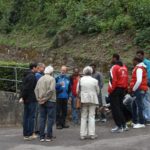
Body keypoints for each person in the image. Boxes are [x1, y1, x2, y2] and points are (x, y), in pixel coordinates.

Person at [77, 66, 99, 140]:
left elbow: (77, 91)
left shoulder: (80, 80)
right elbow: (98, 91)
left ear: (84, 72)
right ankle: (92, 134)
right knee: (92, 116)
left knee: (83, 117)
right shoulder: (95, 80)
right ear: (91, 72)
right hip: (93, 99)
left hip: (83, 99)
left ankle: (82, 135)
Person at [35, 65, 56, 142]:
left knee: (42, 118)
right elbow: (51, 90)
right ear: (51, 72)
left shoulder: (40, 78)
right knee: (50, 119)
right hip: (50, 101)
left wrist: (39, 99)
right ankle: (49, 136)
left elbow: (36, 89)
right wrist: (45, 99)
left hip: (41, 101)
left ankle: (41, 136)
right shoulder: (52, 79)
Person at [108, 54, 129, 133]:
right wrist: (125, 88)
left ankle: (119, 126)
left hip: (115, 90)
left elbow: (112, 80)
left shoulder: (114, 67)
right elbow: (126, 78)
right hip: (122, 89)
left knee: (115, 108)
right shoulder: (124, 67)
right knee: (120, 107)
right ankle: (124, 125)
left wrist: (110, 90)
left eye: (112, 58)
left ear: (114, 58)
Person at [20, 62, 38, 140]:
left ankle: (25, 134)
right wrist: (22, 97)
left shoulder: (26, 75)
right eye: (37, 67)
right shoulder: (32, 76)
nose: (37, 69)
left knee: (26, 116)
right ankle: (30, 134)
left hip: (26, 99)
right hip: (31, 99)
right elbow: (27, 88)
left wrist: (22, 97)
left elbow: (23, 87)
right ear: (33, 68)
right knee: (31, 117)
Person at [130, 57, 148, 129]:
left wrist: (133, 89)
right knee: (134, 105)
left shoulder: (139, 68)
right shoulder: (139, 68)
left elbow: (139, 80)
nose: (132, 62)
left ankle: (141, 123)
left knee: (139, 106)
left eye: (133, 61)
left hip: (139, 89)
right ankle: (135, 121)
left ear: (136, 61)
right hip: (139, 89)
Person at [136, 50, 150, 125]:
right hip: (142, 85)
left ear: (143, 55)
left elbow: (148, 74)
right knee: (143, 103)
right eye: (137, 55)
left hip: (146, 85)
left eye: (139, 55)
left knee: (146, 102)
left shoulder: (147, 63)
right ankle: (144, 117)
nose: (138, 57)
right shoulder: (139, 64)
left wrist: (146, 83)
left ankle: (148, 118)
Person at [34, 63, 45, 136]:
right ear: (40, 67)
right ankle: (37, 129)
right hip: (38, 96)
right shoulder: (38, 75)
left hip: (36, 96)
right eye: (43, 68)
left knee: (37, 114)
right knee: (38, 114)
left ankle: (36, 129)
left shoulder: (38, 75)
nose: (44, 69)